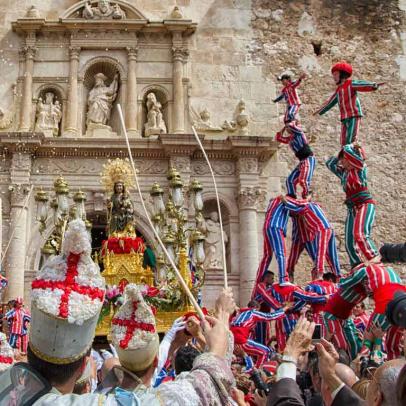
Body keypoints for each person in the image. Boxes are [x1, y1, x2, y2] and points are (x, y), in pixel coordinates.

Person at [338, 261, 406, 359]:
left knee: (369, 336)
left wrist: (338, 283)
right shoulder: (390, 269)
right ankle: (395, 369)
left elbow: (347, 283)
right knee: (392, 344)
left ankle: (365, 366)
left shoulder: (366, 269)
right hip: (403, 303)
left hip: (386, 305)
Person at [326, 143, 379, 267]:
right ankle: (357, 265)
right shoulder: (344, 173)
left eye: (343, 158)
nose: (341, 161)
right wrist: (340, 153)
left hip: (364, 205)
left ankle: (375, 259)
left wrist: (349, 145)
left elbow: (353, 155)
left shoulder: (360, 168)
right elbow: (329, 163)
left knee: (360, 235)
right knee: (349, 243)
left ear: (350, 158)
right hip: (352, 208)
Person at [314, 61, 383, 146]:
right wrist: (319, 111)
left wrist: (372, 85)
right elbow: (330, 102)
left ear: (342, 75)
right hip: (344, 118)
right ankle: (344, 156)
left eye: (335, 74)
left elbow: (362, 85)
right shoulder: (338, 90)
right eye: (333, 75)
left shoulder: (351, 84)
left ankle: (353, 154)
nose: (334, 77)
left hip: (353, 114)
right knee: (343, 142)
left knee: (351, 140)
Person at [282, 196, 341, 280]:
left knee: (321, 254)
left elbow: (298, 204)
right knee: (327, 254)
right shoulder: (311, 207)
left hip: (319, 231)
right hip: (310, 235)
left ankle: (322, 275)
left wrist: (283, 199)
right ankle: (335, 274)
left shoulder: (305, 207)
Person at [230, 300, 286, 368]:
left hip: (232, 339)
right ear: (256, 308)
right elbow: (269, 316)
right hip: (241, 339)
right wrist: (284, 309)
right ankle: (258, 372)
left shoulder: (240, 313)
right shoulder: (253, 312)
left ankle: (252, 368)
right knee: (265, 351)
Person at [275, 121, 315, 199]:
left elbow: (293, 125)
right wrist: (283, 128)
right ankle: (291, 196)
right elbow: (279, 138)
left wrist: (290, 122)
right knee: (290, 180)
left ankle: (306, 195)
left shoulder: (299, 134)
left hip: (308, 159)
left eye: (288, 128)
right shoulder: (290, 139)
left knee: (303, 180)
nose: (287, 129)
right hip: (302, 161)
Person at [256, 196, 291, 285]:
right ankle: (283, 279)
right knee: (281, 254)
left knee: (267, 256)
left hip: (267, 228)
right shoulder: (286, 200)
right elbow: (299, 207)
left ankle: (259, 280)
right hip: (276, 227)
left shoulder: (273, 201)